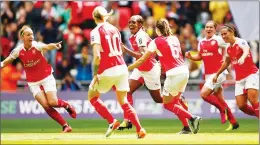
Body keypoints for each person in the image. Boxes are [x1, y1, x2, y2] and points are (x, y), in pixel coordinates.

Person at [128, 19, 202, 134]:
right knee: (175, 102)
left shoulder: (156, 41)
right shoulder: (175, 38)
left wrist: (129, 68)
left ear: (157, 29)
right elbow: (170, 54)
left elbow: (143, 59)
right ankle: (186, 128)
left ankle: (193, 118)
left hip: (174, 75)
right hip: (184, 71)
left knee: (167, 104)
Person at [0, 25, 77, 132]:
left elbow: (46, 46)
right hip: (33, 82)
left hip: (46, 76)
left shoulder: (36, 45)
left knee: (53, 102)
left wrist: (54, 46)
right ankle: (66, 126)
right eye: (28, 35)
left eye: (32, 34)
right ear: (22, 37)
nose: (31, 36)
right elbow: (8, 59)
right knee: (46, 105)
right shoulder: (18, 50)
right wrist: (1, 64)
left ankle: (67, 106)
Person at [88, 6, 146, 138]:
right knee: (124, 101)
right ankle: (139, 129)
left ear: (94, 17)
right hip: (122, 68)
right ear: (106, 16)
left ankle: (112, 121)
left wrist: (95, 74)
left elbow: (97, 56)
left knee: (92, 97)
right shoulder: (115, 29)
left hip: (107, 68)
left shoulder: (95, 31)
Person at [185, 21, 238, 131]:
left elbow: (231, 44)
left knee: (204, 94)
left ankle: (222, 110)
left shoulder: (218, 39)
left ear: (215, 29)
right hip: (209, 74)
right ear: (204, 29)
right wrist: (191, 57)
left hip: (219, 73)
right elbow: (200, 56)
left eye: (211, 27)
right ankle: (234, 122)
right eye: (207, 27)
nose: (208, 29)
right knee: (220, 98)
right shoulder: (201, 42)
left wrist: (228, 57)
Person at [118, 15, 163, 130]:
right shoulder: (135, 35)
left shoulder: (140, 36)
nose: (131, 24)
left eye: (133, 22)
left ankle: (177, 97)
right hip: (140, 69)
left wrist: (126, 50)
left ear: (140, 25)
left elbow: (143, 56)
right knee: (126, 90)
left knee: (158, 99)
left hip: (150, 70)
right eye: (129, 22)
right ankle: (127, 120)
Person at [213, 24, 259, 120]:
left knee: (252, 99)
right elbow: (226, 62)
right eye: (222, 35)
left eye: (225, 33)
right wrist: (217, 74)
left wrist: (243, 57)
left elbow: (246, 50)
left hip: (251, 74)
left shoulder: (240, 42)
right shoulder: (228, 48)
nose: (223, 36)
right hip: (239, 79)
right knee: (241, 106)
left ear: (232, 32)